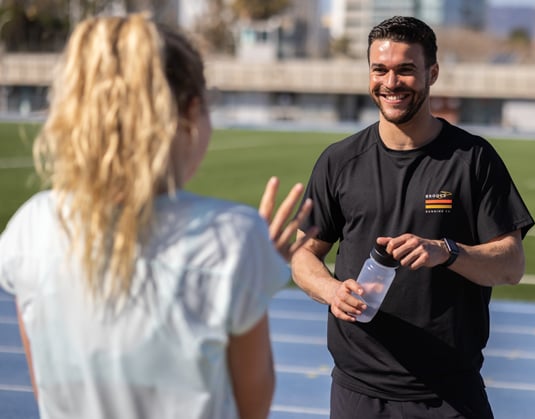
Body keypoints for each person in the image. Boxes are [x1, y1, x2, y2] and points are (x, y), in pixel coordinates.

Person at [0, 14, 316, 419]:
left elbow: (49, 392)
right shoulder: (234, 240)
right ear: (191, 110)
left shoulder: (31, 226)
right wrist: (250, 274)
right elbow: (251, 409)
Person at [291, 16, 535, 419]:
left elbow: (511, 265)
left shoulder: (472, 160)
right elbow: (302, 255)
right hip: (357, 393)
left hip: (447, 395)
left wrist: (447, 251)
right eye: (379, 70)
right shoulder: (339, 161)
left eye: (406, 69)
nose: (391, 83)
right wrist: (331, 291)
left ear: (432, 73)